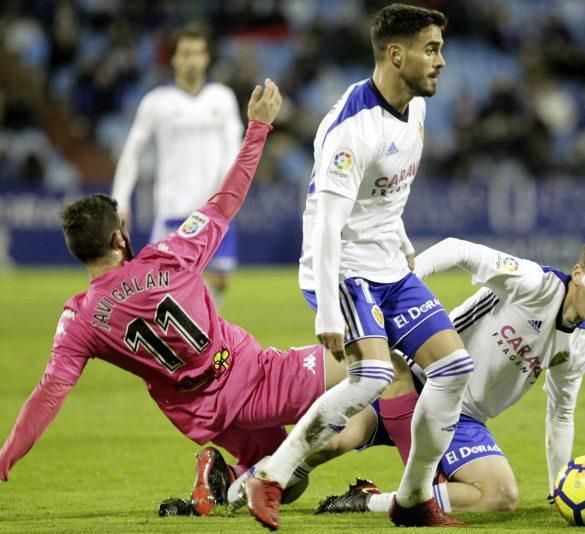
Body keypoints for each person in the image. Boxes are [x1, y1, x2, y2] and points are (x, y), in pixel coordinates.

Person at [0, 81, 346, 516]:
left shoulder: (81, 319)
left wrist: (7, 453)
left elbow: (49, 393)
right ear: (118, 236)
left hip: (202, 414)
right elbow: (227, 200)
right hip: (252, 375)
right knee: (366, 365)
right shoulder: (169, 257)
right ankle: (428, 484)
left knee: (287, 480)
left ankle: (223, 478)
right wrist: (258, 127)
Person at [241, 3, 474, 530]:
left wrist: (404, 240)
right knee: (370, 375)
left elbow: (388, 196)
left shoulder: (415, 105)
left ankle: (413, 499)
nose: (441, 61)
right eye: (430, 49)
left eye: (440, 48)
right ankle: (271, 475)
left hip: (389, 265)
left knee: (454, 367)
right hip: (344, 267)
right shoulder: (353, 130)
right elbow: (326, 227)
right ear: (396, 54)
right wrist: (327, 310)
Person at [282, 233, 585, 515]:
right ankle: (242, 477)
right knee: (322, 446)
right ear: (579, 273)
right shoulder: (535, 283)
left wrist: (558, 489)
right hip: (420, 376)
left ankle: (370, 501)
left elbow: (560, 414)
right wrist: (400, 284)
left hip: (463, 418)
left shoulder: (578, 346)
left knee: (500, 496)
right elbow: (458, 249)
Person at [111, 25, 243, 304]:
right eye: (186, 54)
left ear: (207, 58)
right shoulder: (157, 102)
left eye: (198, 53)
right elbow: (133, 151)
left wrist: (226, 196)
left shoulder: (222, 98)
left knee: (220, 280)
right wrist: (120, 200)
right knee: (165, 284)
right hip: (173, 208)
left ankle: (197, 335)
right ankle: (178, 337)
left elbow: (235, 150)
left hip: (213, 209)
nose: (192, 60)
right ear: (174, 59)